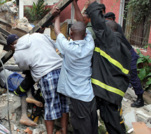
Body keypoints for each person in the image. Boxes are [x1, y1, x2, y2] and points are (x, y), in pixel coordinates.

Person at [7, 32, 69, 134]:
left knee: (50, 109)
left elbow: (25, 68)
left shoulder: (18, 54)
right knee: (64, 106)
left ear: (11, 46)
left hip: (47, 75)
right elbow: (54, 46)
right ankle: (64, 131)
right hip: (62, 70)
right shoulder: (37, 35)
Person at [51, 1, 98, 134]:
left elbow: (57, 31)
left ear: (71, 34)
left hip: (78, 100)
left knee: (82, 129)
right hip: (89, 95)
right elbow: (82, 23)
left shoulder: (67, 48)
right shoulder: (90, 44)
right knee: (92, 127)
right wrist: (75, 4)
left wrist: (57, 17)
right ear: (85, 34)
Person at [86, 0, 132, 134]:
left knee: (113, 125)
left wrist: (93, 5)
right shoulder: (121, 45)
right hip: (111, 92)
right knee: (111, 120)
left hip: (107, 92)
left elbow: (97, 21)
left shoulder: (110, 40)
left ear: (109, 31)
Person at [105, 12, 144, 107]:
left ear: (111, 19)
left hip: (129, 55)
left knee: (133, 77)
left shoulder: (116, 27)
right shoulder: (113, 29)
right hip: (124, 55)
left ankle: (140, 99)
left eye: (106, 20)